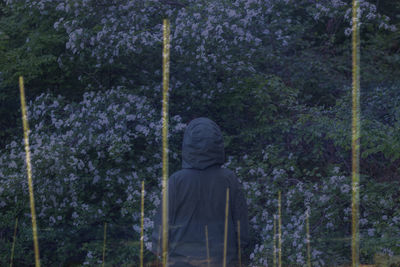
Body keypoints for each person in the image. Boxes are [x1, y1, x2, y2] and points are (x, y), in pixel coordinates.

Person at [152, 117, 249, 267]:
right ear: (217, 144)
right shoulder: (229, 179)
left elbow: (162, 225)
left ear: (187, 144)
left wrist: (159, 249)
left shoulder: (177, 181)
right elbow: (241, 227)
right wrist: (239, 250)